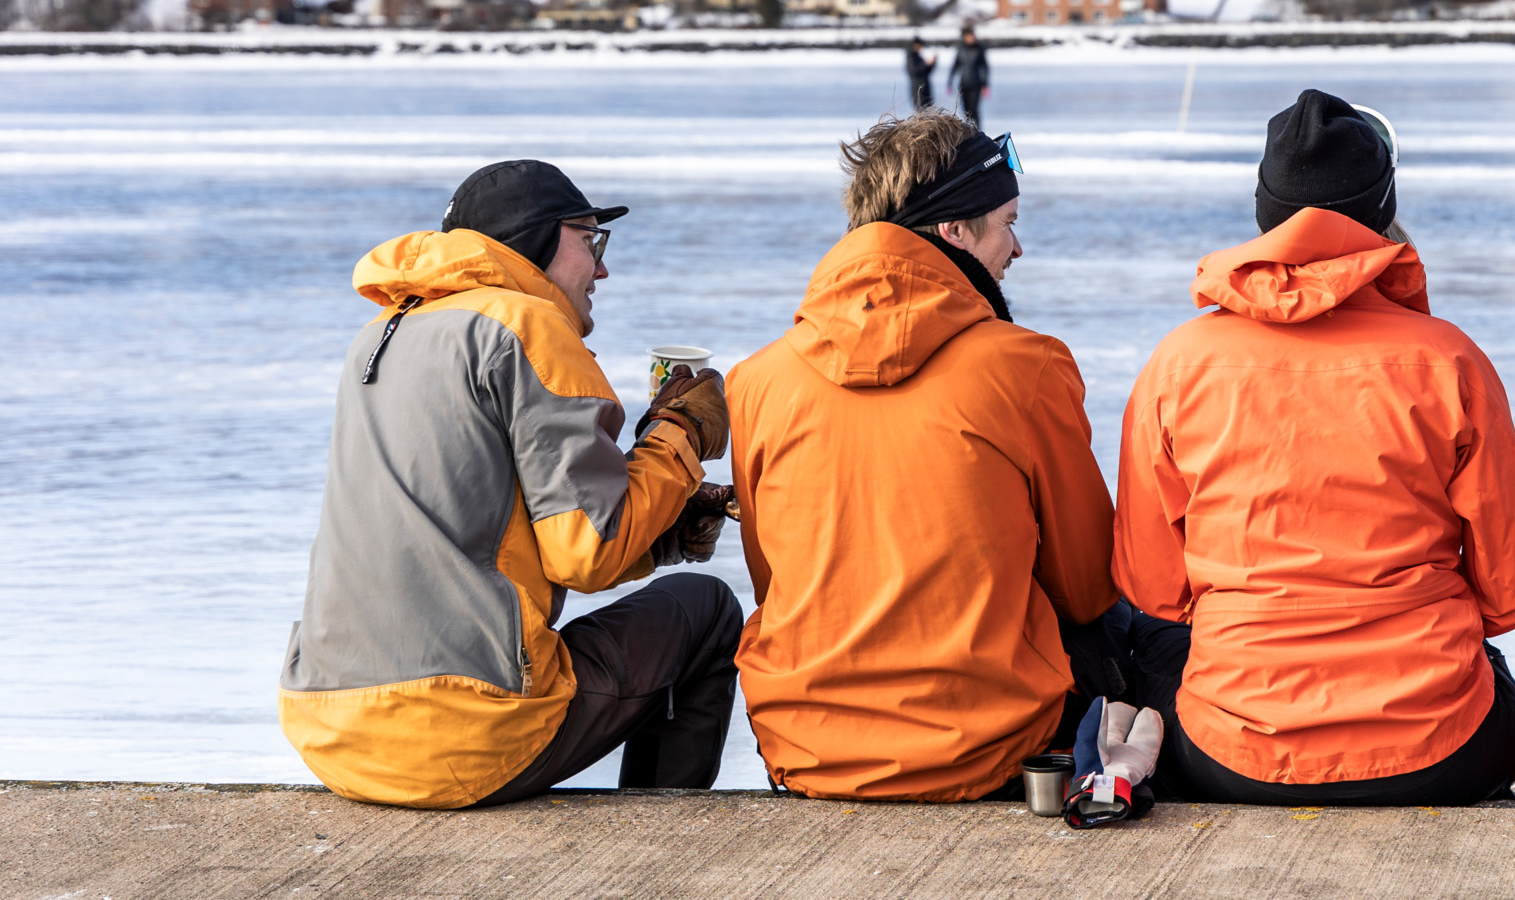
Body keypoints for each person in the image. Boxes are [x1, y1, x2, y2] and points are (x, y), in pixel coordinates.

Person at [1116, 90, 1515, 806]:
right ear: (1382, 214)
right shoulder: (1449, 361)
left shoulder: (1178, 363)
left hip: (1237, 748)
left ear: (1266, 214)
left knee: (1154, 659)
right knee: (1491, 664)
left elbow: (1152, 586)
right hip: (1437, 747)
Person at [278, 160, 737, 809]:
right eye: (590, 240)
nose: (602, 269)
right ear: (538, 237)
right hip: (463, 735)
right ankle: (665, 839)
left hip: (328, 728)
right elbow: (587, 551)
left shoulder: (380, 335)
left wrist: (665, 532)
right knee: (706, 608)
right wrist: (680, 433)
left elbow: (490, 526)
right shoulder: (528, 326)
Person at [728, 112, 1120, 799]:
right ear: (956, 232)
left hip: (807, 748)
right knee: (1137, 632)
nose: (1017, 246)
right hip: (985, 748)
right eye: (1008, 220)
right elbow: (1086, 585)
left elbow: (773, 582)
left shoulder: (758, 381)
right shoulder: (1025, 368)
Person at [947, 27, 991, 130]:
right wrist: (950, 81)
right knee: (966, 111)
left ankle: (977, 131)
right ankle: (969, 132)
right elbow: (955, 66)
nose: (972, 37)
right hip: (964, 83)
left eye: (973, 35)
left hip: (976, 84)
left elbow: (984, 67)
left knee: (974, 109)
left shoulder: (979, 49)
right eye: (970, 36)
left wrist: (985, 84)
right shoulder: (961, 49)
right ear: (965, 37)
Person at [904, 36, 936, 110]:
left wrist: (932, 64)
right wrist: (925, 64)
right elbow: (914, 71)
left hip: (925, 88)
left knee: (929, 110)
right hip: (917, 89)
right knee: (921, 110)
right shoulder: (910, 57)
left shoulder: (918, 56)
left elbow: (926, 72)